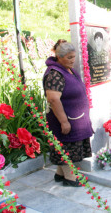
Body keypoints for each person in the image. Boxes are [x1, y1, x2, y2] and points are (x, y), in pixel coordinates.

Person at [43, 41, 94, 187]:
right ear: (59, 57)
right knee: (66, 147)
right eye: (69, 57)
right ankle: (70, 177)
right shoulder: (55, 74)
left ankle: (60, 173)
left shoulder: (67, 69)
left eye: (74, 57)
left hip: (76, 118)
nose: (73, 60)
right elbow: (53, 98)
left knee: (68, 146)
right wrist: (64, 121)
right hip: (65, 119)